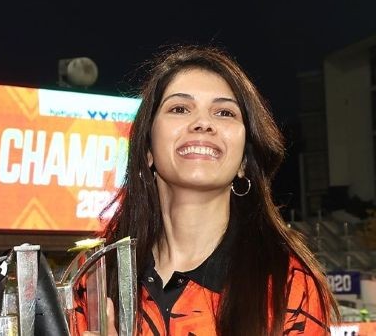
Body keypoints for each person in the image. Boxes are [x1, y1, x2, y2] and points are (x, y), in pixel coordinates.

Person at [97, 46, 338, 335]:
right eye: (179, 109)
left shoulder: (288, 285)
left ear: (244, 161)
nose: (203, 123)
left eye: (224, 113)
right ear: (147, 149)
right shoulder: (100, 280)